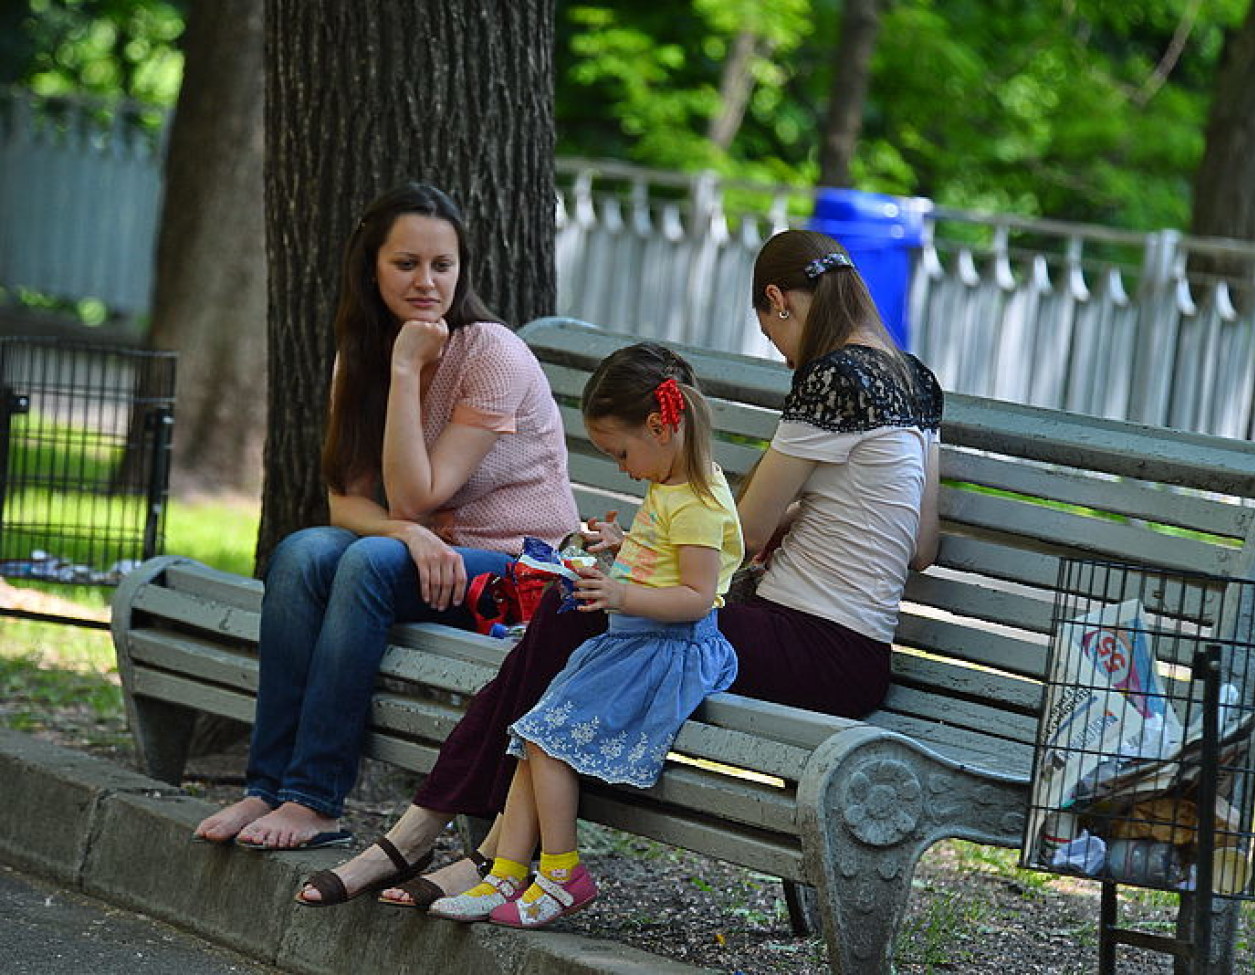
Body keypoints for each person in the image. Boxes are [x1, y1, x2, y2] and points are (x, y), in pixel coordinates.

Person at [295, 227, 943, 909]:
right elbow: (919, 546)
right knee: (577, 620)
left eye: (769, 327)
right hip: (850, 650)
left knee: (576, 608)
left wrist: (775, 522)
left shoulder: (832, 376)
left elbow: (741, 533)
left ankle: (445, 834)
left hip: (808, 641)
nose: (780, 352)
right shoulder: (917, 381)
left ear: (777, 300)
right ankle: (478, 849)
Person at [191, 182, 578, 865]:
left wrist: (406, 371)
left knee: (366, 560)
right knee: (305, 551)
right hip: (430, 556)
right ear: (371, 265)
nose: (427, 281)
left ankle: (313, 799)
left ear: (463, 270)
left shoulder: (491, 354)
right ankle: (266, 783)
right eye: (406, 264)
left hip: (517, 570)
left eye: (442, 265)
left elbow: (415, 494)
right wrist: (409, 534)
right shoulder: (362, 350)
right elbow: (348, 505)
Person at [412, 342, 742, 926]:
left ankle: (562, 875)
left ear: (660, 427)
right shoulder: (676, 485)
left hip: (666, 652)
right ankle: (506, 874)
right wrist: (625, 548)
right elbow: (672, 561)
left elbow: (695, 597)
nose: (621, 467)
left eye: (620, 453)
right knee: (532, 735)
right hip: (635, 643)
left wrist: (620, 593)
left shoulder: (693, 502)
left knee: (546, 739)